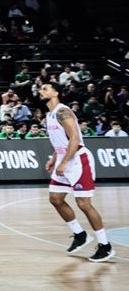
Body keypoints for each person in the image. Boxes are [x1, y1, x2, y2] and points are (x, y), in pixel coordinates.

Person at [40, 82, 112, 262]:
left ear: (56, 92)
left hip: (78, 160)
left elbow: (75, 139)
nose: (41, 91)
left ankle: (105, 246)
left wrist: (63, 162)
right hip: (64, 159)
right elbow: (61, 141)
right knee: (55, 199)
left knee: (84, 204)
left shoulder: (63, 112)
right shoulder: (49, 115)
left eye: (45, 88)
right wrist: (54, 158)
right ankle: (80, 234)